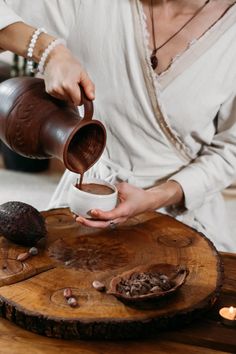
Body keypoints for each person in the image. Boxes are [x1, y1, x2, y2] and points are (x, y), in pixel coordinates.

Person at [0, 0, 236, 251]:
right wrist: (49, 51)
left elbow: (229, 151)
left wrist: (156, 197)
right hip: (85, 206)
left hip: (184, 219)